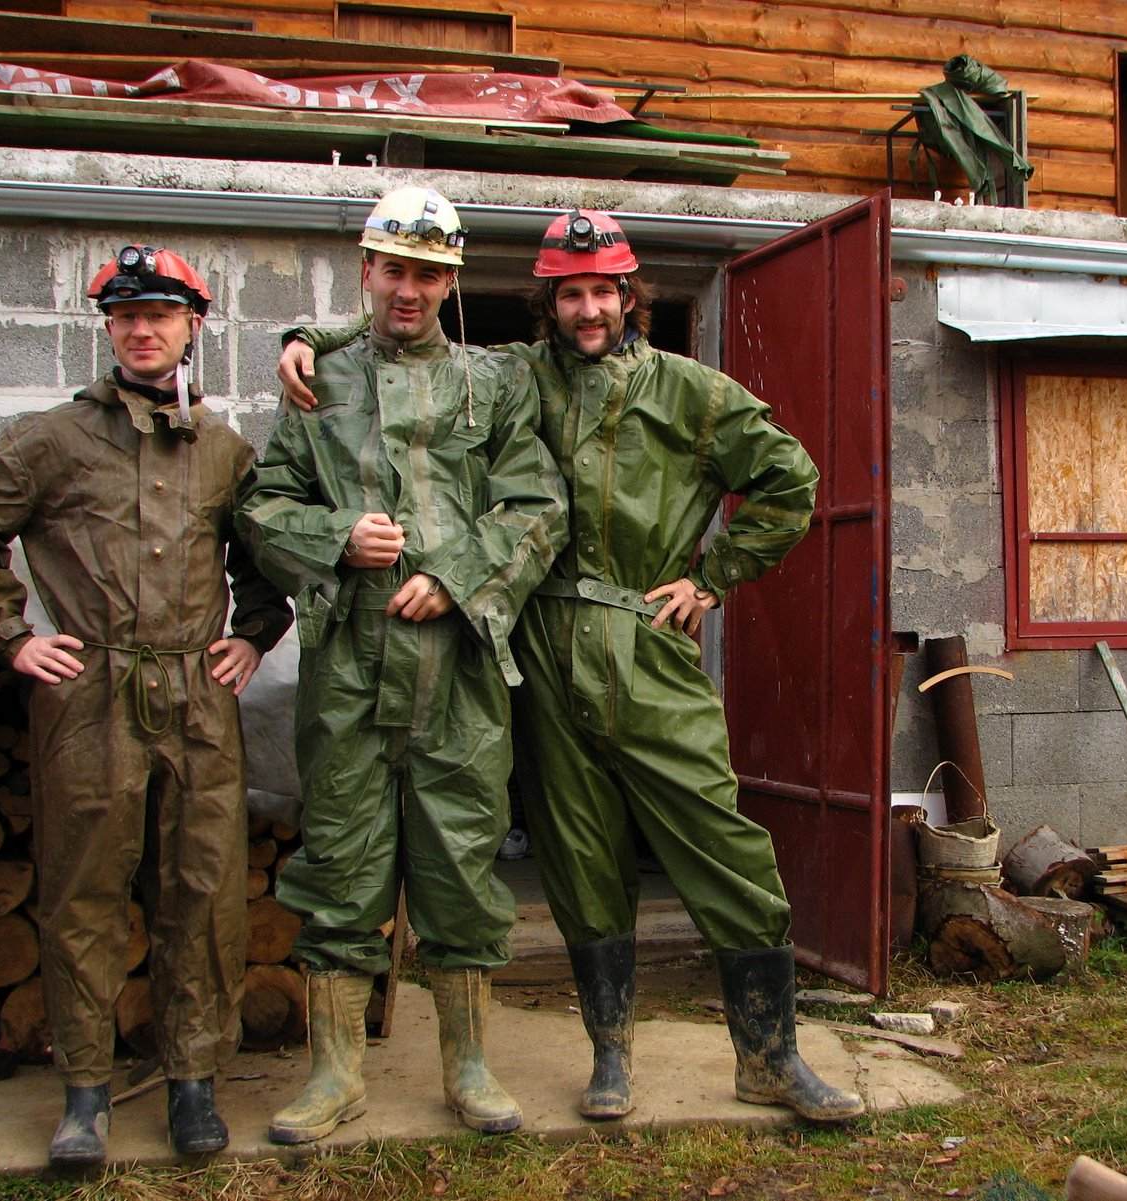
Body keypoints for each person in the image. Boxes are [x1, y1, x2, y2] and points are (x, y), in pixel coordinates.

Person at [277, 209, 865, 1125]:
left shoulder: (691, 391)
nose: (588, 310)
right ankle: (610, 1059)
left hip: (645, 646)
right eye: (569, 294)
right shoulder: (515, 377)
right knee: (580, 854)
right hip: (542, 651)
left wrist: (712, 579)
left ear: (631, 296)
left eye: (603, 292)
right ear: (547, 303)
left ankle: (771, 1057)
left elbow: (791, 479)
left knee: (723, 844)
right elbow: (407, 331)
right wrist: (310, 337)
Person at [0, 245, 292, 1165]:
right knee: (83, 892)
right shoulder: (54, 439)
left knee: (204, 892)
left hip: (197, 694)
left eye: (159, 315)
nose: (142, 330)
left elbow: (263, 554)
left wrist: (255, 631)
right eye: (126, 315)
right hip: (90, 695)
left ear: (191, 327)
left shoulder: (222, 449)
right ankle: (86, 1092)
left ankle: (193, 1082)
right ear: (109, 327)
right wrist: (15, 636)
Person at [235, 186, 567, 1144]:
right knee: (340, 864)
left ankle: (468, 1065)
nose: (409, 290)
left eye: (428, 273)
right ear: (366, 271)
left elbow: (538, 507)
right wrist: (338, 536)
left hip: (459, 672)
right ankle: (335, 1073)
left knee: (462, 862)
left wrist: (457, 577)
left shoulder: (490, 383)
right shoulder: (318, 385)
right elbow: (262, 508)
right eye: (394, 270)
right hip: (348, 668)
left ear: (450, 280)